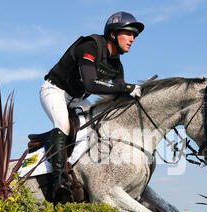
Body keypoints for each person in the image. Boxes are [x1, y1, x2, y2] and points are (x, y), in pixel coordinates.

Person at [40, 11, 144, 200]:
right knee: (63, 125)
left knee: (100, 126)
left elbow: (119, 92)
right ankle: (59, 180)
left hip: (77, 99)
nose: (132, 39)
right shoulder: (91, 46)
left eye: (134, 36)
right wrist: (125, 88)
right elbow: (91, 84)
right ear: (113, 34)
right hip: (55, 91)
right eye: (128, 34)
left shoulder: (117, 65)